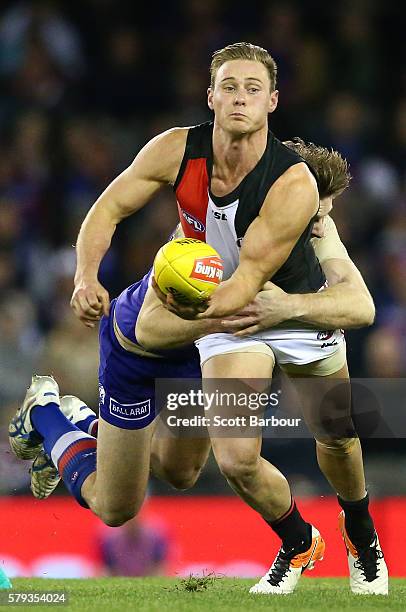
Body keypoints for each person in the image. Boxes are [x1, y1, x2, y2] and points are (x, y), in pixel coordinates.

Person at [9, 136, 385, 594]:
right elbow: (151, 329)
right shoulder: (204, 241)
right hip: (140, 353)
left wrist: (281, 309)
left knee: (181, 472)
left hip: (201, 351)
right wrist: (235, 314)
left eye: (321, 213)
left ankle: (89, 429)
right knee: (115, 506)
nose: (319, 225)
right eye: (312, 212)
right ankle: (47, 415)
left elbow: (358, 303)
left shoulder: (313, 230)